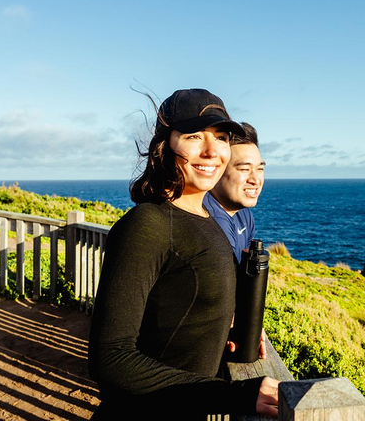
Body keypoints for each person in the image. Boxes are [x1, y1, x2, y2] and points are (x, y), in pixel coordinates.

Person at [88, 88, 280, 419]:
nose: (211, 151)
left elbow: (181, 305)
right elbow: (110, 359)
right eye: (194, 136)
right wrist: (238, 396)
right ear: (165, 145)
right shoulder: (147, 225)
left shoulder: (207, 219)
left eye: (221, 137)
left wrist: (233, 323)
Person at [202, 122, 265, 263]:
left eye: (260, 169)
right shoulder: (209, 224)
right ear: (216, 169)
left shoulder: (243, 214)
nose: (256, 180)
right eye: (244, 169)